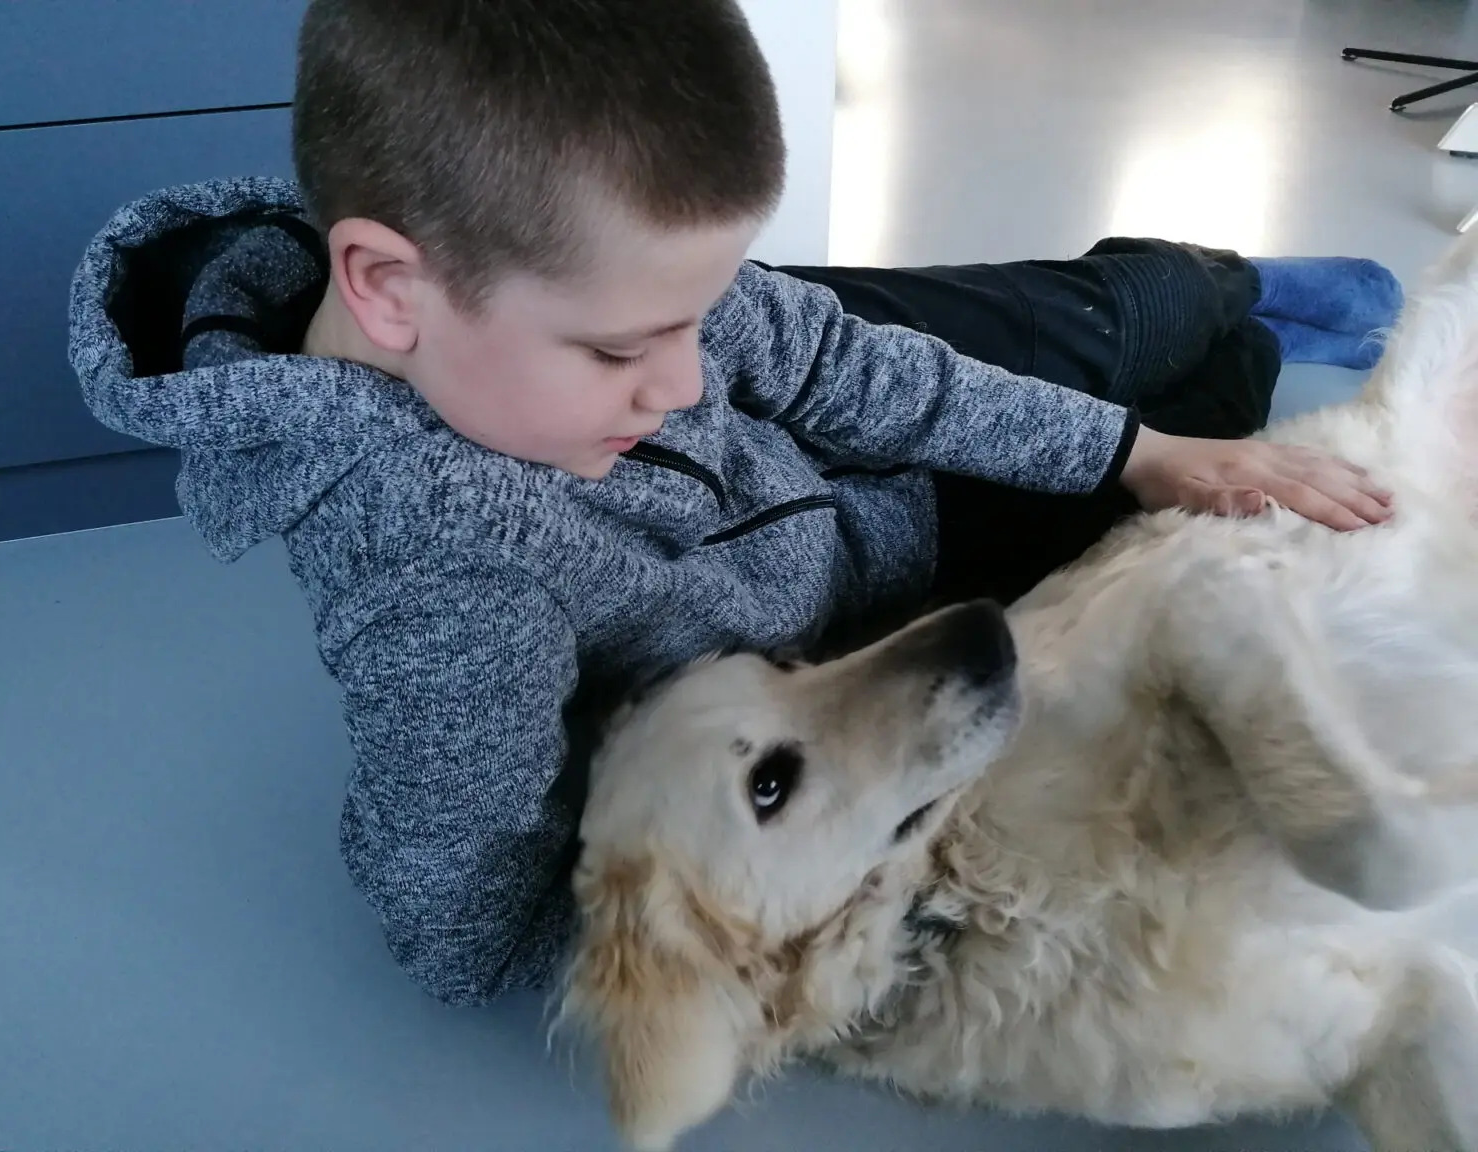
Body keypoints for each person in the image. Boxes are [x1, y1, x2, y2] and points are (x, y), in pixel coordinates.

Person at [68, 0, 1403, 1007]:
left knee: (1118, 331)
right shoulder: (445, 594)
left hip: (830, 382)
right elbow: (460, 925)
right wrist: (722, 931)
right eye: (627, 344)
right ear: (389, 286)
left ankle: (1215, 274)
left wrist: (1132, 446)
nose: (691, 380)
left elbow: (819, 361)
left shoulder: (600, 306)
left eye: (699, 312)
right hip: (868, 555)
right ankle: (1237, 332)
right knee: (1225, 407)